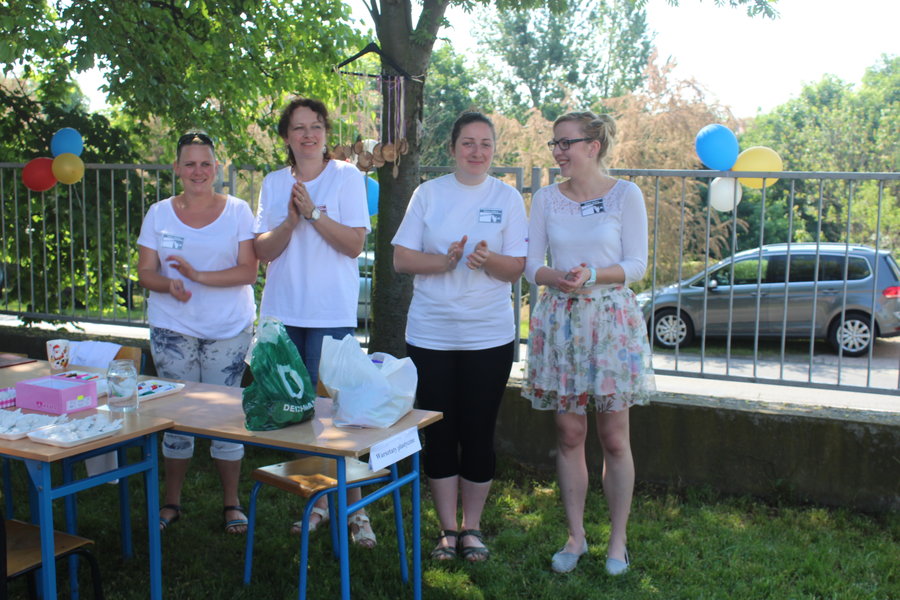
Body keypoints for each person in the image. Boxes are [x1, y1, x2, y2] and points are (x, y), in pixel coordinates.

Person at [522, 111, 655, 575]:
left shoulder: (625, 194)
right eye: (555, 144)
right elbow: (530, 264)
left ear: (593, 145)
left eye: (567, 143)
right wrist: (555, 277)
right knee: (569, 432)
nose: (558, 152)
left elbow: (637, 264)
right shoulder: (544, 199)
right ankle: (575, 536)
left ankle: (617, 541)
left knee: (614, 437)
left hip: (610, 319)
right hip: (561, 319)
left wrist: (594, 274)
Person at [393, 112, 528, 562]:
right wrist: (445, 261)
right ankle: (446, 530)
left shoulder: (507, 198)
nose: (476, 151)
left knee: (478, 432)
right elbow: (401, 259)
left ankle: (473, 528)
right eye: (467, 143)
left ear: (494, 150)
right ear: (452, 149)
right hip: (430, 334)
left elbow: (517, 268)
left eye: (485, 143)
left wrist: (488, 260)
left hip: (488, 337)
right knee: (440, 432)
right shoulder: (428, 194)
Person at [252, 97, 376, 546]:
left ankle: (357, 511)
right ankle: (322, 502)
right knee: (299, 414)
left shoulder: (347, 177)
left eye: (316, 126)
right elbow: (263, 252)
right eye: (299, 127)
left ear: (326, 132)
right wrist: (289, 221)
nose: (308, 134)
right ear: (286, 137)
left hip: (330, 313)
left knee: (339, 414)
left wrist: (313, 214)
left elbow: (354, 245)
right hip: (284, 315)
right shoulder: (273, 182)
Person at [137, 131, 258, 534]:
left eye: (205, 163)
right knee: (176, 415)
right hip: (173, 327)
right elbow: (146, 273)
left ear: (217, 168)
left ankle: (231, 502)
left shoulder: (239, 210)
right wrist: (167, 285)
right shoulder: (158, 213)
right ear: (176, 169)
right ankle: (172, 500)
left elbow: (248, 272)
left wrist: (196, 276)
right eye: (189, 163)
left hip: (228, 328)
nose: (198, 171)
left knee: (225, 416)